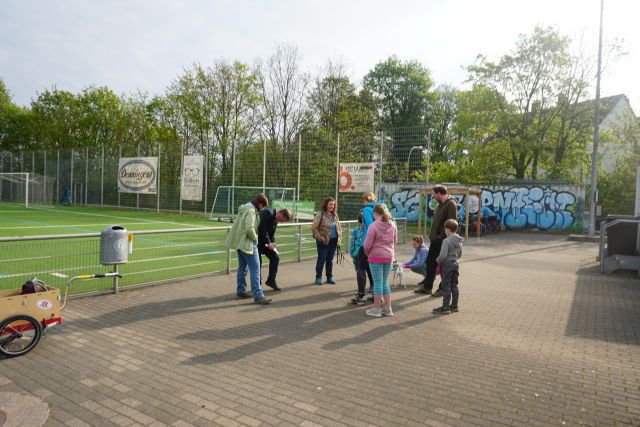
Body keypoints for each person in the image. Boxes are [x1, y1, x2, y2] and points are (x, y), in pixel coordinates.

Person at [224, 193, 272, 305]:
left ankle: (241, 291)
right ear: (260, 204)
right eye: (263, 206)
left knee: (242, 268)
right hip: (248, 244)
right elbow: (249, 228)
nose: (262, 209)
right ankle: (258, 295)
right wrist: (255, 238)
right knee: (255, 269)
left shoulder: (245, 207)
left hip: (239, 243)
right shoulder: (251, 211)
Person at [415, 184, 457, 297]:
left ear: (439, 193)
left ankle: (443, 289)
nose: (432, 196)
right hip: (435, 241)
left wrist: (440, 237)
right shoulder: (440, 205)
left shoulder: (451, 204)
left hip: (443, 241)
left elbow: (451, 223)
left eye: (434, 193)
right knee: (430, 263)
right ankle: (427, 287)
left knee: (443, 265)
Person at [363, 204, 397, 317]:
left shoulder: (373, 226)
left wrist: (368, 253)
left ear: (375, 213)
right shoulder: (392, 224)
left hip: (375, 256)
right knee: (384, 282)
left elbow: (367, 244)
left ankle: (376, 309)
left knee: (378, 283)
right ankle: (388, 308)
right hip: (389, 256)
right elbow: (394, 241)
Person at [258, 207, 292, 291]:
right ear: (281, 214)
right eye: (282, 220)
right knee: (258, 263)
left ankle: (271, 280)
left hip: (265, 243)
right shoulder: (268, 213)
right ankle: (257, 285)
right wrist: (268, 242)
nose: (281, 222)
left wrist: (273, 242)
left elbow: (272, 233)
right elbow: (262, 228)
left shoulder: (276, 218)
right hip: (256, 242)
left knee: (275, 258)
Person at [433, 219, 463, 314]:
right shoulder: (459, 240)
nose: (445, 231)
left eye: (445, 229)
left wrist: (437, 261)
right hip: (455, 264)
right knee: (454, 285)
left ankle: (445, 307)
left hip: (446, 265)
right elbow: (460, 254)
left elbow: (443, 255)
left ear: (448, 229)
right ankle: (454, 305)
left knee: (446, 286)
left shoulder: (446, 241)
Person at [311, 197, 342, 285]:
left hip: (333, 241)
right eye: (330, 204)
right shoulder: (320, 214)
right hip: (323, 241)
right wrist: (320, 237)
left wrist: (339, 239)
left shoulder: (335, 215)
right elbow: (314, 227)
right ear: (326, 204)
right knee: (322, 259)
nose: (332, 206)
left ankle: (329, 277)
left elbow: (339, 227)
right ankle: (318, 277)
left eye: (333, 204)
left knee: (330, 259)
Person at [359, 192, 378, 298]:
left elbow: (371, 226)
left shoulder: (366, 209)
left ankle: (361, 293)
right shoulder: (380, 208)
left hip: (367, 242)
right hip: (380, 243)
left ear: (365, 200)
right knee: (373, 266)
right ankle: (375, 291)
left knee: (361, 267)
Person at [349, 213, 368, 304]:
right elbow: (352, 241)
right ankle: (361, 288)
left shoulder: (366, 230)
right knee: (359, 270)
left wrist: (352, 252)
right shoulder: (357, 230)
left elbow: (353, 241)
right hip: (357, 253)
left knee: (360, 271)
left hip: (361, 253)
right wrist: (352, 252)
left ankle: (362, 290)